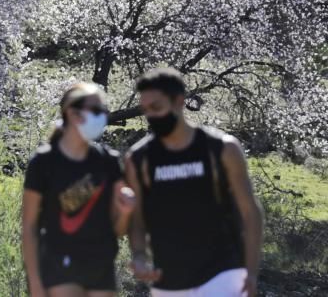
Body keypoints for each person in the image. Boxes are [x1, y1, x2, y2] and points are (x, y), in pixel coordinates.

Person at [125, 68, 264, 297]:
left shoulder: (222, 149)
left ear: (179, 101)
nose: (152, 116)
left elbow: (250, 212)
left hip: (223, 273)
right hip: (168, 280)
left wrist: (250, 272)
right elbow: (137, 220)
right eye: (146, 110)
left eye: (157, 107)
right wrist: (139, 257)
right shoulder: (138, 159)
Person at [22, 82, 136, 297]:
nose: (101, 117)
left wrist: (126, 212)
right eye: (95, 111)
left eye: (103, 111)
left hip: (100, 267)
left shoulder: (108, 162)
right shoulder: (43, 163)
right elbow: (29, 227)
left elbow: (117, 230)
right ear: (73, 114)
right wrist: (35, 283)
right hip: (58, 265)